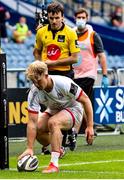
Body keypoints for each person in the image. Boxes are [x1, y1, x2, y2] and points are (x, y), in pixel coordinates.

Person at [18, 61, 94, 173]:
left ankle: (54, 164)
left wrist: (90, 126)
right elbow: (32, 123)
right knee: (38, 127)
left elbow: (86, 100)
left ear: (46, 75)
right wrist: (30, 148)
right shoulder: (34, 92)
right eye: (33, 82)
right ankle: (59, 149)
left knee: (53, 122)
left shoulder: (64, 83)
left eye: (38, 80)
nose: (36, 85)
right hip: (54, 109)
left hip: (74, 109)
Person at [33, 2, 80, 154]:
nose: (54, 21)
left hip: (65, 75)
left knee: (65, 109)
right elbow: (37, 51)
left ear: (62, 17)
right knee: (48, 110)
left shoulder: (71, 33)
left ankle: (71, 133)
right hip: (47, 75)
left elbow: (74, 58)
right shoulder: (41, 32)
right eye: (51, 18)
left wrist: (53, 62)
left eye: (57, 18)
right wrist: (40, 64)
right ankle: (53, 145)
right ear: (48, 17)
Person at [65, 8, 109, 147]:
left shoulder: (93, 35)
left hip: (88, 75)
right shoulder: (70, 33)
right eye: (78, 17)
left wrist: (105, 75)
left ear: (87, 18)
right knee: (82, 104)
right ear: (74, 17)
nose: (81, 20)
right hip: (73, 74)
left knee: (77, 102)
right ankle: (90, 130)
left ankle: (73, 135)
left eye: (83, 17)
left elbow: (101, 56)